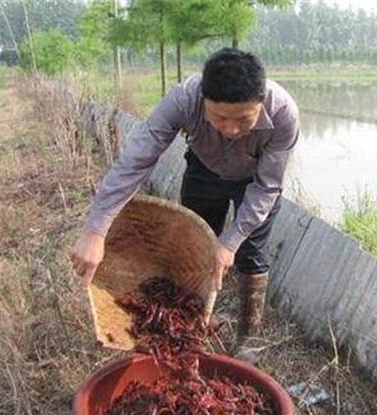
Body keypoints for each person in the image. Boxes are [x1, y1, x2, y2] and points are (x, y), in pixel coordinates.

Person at [70, 48, 299, 355]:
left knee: (251, 251)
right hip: (204, 170)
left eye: (244, 120)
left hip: (254, 181)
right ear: (203, 100)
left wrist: (229, 243)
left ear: (261, 102)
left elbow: (268, 186)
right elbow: (136, 160)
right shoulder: (183, 99)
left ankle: (249, 339)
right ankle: (191, 320)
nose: (231, 129)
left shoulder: (284, 113)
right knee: (190, 246)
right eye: (219, 118)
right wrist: (96, 231)